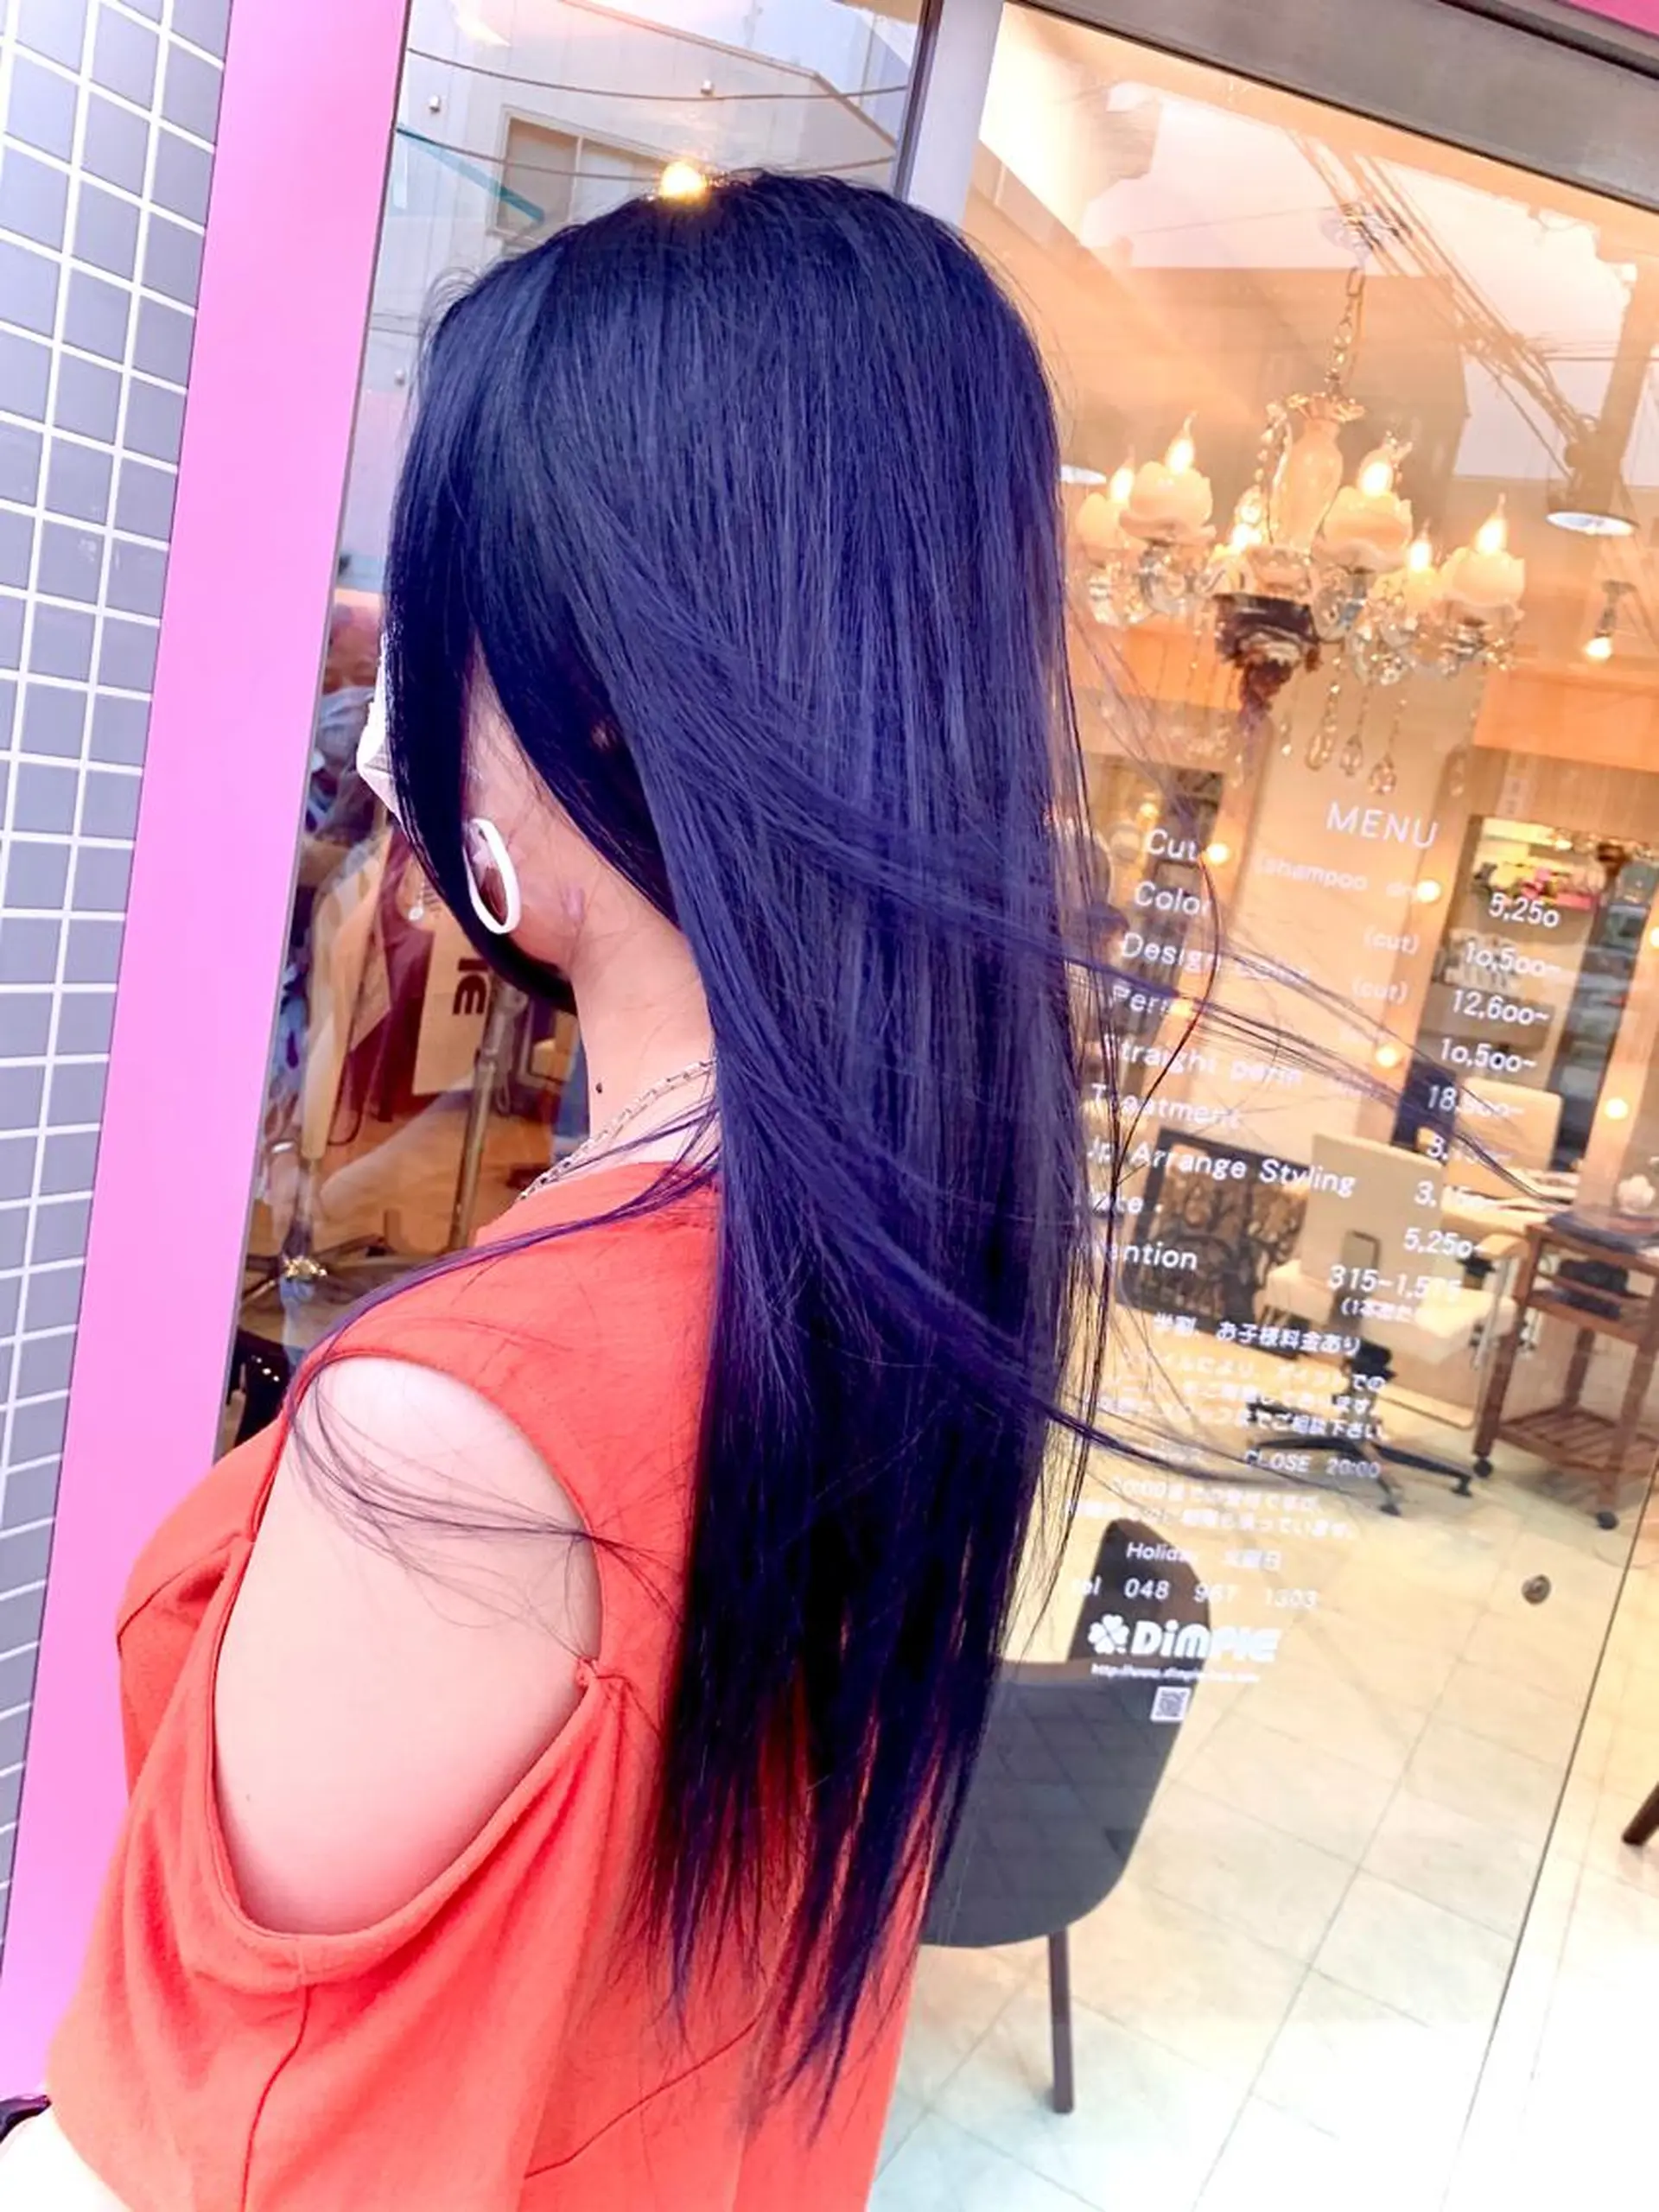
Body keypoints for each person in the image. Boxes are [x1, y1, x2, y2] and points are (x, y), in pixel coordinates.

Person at [3, 170, 1108, 2209]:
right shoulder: (894, 1265)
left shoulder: (465, 1429)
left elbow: (212, 2156)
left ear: (581, 695)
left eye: (439, 641)